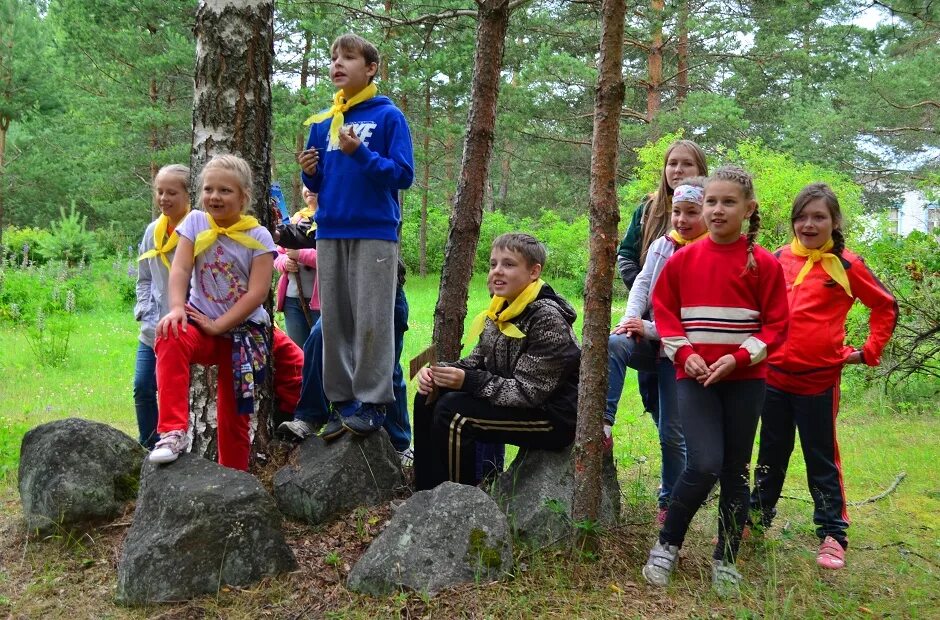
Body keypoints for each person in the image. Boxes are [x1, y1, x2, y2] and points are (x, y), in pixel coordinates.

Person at [641, 165, 789, 596]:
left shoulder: (763, 263)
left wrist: (740, 357)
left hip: (746, 380)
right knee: (703, 463)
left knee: (734, 470)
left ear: (749, 209)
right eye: (711, 202)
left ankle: (725, 557)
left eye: (728, 202)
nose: (718, 209)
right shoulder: (683, 258)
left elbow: (776, 324)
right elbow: (664, 312)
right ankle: (667, 545)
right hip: (694, 378)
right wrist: (685, 355)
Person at [749, 183, 898, 571]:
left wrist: (869, 351)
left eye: (819, 217)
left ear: (834, 222)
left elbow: (885, 306)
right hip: (774, 377)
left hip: (818, 381)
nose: (809, 224)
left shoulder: (848, 264)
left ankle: (833, 533)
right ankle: (754, 520)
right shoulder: (777, 257)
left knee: (821, 458)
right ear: (793, 221)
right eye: (802, 216)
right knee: (770, 453)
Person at [298, 32, 414, 438]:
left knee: (372, 320)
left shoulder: (388, 117)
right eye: (333, 57)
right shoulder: (324, 122)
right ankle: (342, 401)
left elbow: (402, 175)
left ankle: (373, 403)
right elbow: (320, 182)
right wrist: (310, 170)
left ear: (370, 68)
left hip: (374, 231)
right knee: (335, 322)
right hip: (330, 230)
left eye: (348, 57)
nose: (337, 64)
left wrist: (360, 152)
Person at [412, 233, 580, 490]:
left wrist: (468, 381)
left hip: (551, 417)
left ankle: (459, 502)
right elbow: (478, 360)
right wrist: (442, 372)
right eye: (493, 264)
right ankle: (427, 491)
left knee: (456, 413)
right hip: (518, 402)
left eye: (509, 264)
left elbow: (529, 392)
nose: (497, 272)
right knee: (429, 396)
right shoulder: (501, 308)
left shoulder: (547, 319)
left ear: (534, 272)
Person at [148, 154, 276, 470]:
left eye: (225, 191)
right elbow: (180, 269)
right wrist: (177, 308)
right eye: (208, 189)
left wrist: (220, 325)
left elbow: (258, 293)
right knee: (170, 333)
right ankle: (172, 432)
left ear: (244, 196)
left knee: (235, 414)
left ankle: (235, 478)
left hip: (241, 335)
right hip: (200, 325)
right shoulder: (194, 222)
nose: (214, 197)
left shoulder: (259, 237)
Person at [606, 179, 708, 525]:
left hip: (681, 352)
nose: (682, 219)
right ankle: (603, 425)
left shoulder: (708, 255)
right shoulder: (662, 246)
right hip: (651, 340)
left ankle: (671, 500)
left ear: (707, 214)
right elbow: (642, 285)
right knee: (612, 343)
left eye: (691, 213)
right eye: (678, 212)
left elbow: (693, 318)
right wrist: (630, 319)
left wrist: (648, 328)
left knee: (671, 431)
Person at [609, 140, 708, 446]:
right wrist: (646, 305)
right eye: (672, 163)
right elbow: (627, 256)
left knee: (682, 402)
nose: (677, 169)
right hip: (645, 316)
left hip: (689, 326)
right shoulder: (647, 210)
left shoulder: (711, 212)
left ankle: (694, 462)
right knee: (652, 393)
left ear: (700, 170)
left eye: (686, 164)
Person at [134, 164, 191, 450]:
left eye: (172, 192)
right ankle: (147, 445)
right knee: (143, 387)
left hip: (183, 329)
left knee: (175, 389)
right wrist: (144, 310)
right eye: (159, 191)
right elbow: (144, 278)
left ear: (187, 194)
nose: (164, 198)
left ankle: (176, 442)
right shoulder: (152, 230)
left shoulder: (196, 230)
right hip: (151, 327)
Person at [274, 187, 320, 348]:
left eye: (315, 184)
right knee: (298, 351)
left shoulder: (331, 221)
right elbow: (277, 255)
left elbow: (331, 259)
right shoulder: (296, 219)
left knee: (319, 352)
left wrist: (300, 254)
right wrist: (285, 262)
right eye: (306, 185)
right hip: (292, 299)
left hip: (321, 303)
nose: (310, 190)